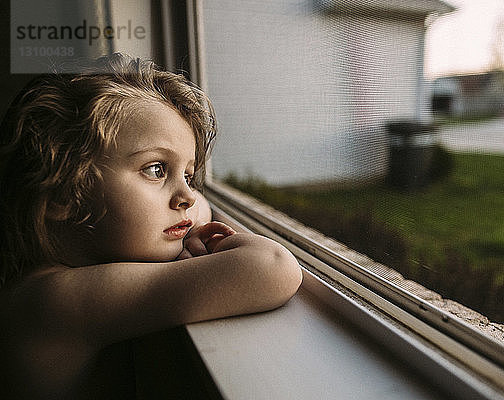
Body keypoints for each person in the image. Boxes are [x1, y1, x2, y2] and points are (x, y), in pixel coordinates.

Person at [0, 53, 302, 398]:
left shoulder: (52, 277)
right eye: (156, 169)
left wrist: (188, 214)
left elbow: (197, 206)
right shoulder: (54, 300)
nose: (187, 196)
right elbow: (273, 269)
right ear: (62, 194)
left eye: (188, 175)